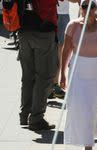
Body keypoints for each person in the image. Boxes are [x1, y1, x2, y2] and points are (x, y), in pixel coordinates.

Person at [60, 0, 97, 150]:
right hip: (78, 69)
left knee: (93, 109)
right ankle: (87, 145)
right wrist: (62, 73)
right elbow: (66, 50)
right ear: (80, 8)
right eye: (84, 6)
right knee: (80, 107)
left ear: (96, 9)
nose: (88, 9)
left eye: (92, 6)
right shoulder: (72, 25)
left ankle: (88, 144)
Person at [18, 0, 59, 132]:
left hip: (23, 30)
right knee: (44, 77)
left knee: (28, 76)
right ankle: (36, 119)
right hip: (43, 31)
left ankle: (25, 115)